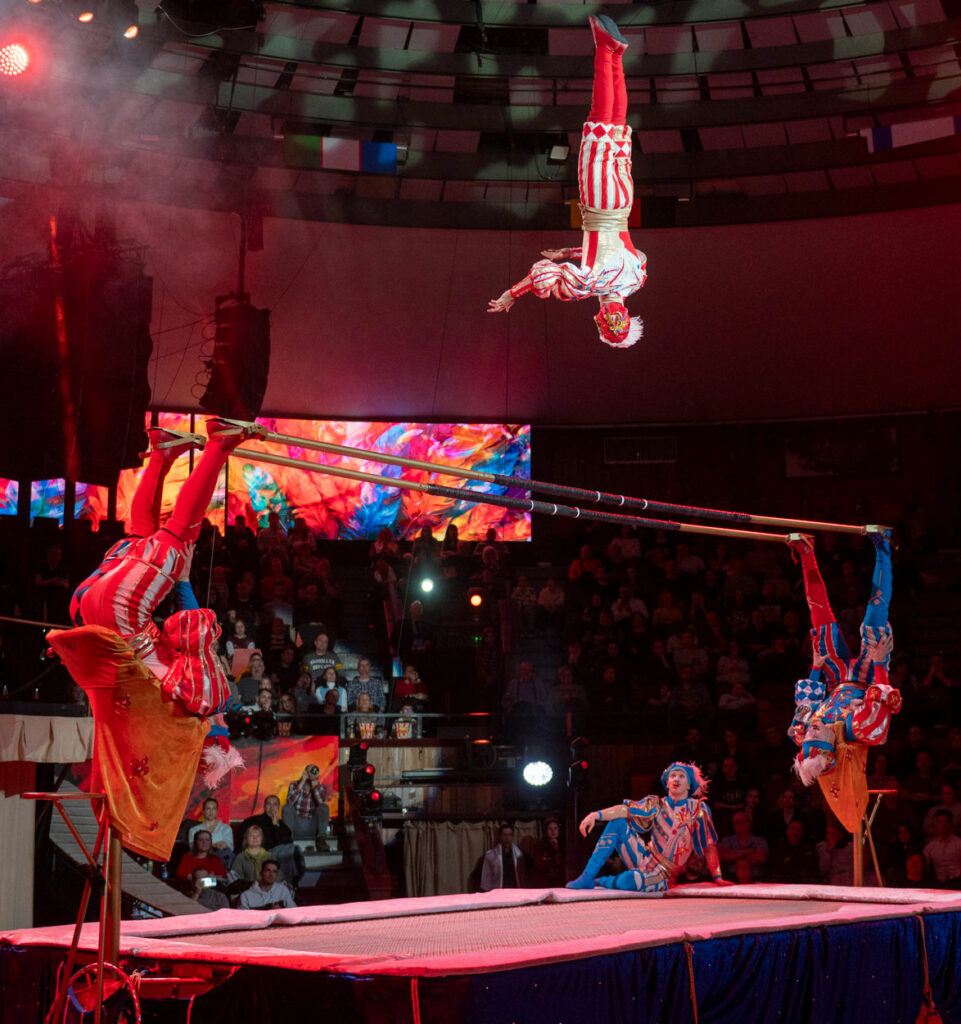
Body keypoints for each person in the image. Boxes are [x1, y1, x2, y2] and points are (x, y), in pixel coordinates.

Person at [487, 15, 646, 349]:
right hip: (599, 202)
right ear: (599, 320)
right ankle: (604, 48)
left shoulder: (635, 281)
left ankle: (616, 55)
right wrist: (511, 294)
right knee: (598, 123)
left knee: (616, 127)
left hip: (622, 202)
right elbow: (542, 275)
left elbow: (636, 254)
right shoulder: (587, 285)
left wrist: (570, 253)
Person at [787, 530, 901, 832]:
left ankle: (807, 552)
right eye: (816, 732)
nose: (812, 727)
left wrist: (815, 667)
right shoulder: (854, 730)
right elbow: (882, 701)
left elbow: (805, 704)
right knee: (874, 619)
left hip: (835, 676)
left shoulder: (806, 733)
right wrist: (878, 661)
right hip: (866, 675)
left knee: (819, 619)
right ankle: (884, 549)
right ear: (827, 747)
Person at [566, 763, 728, 892]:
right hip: (644, 858)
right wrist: (596, 815)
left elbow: (709, 845)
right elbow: (626, 810)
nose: (676, 779)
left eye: (681, 776)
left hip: (664, 874)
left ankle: (601, 881)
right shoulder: (657, 803)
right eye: (672, 776)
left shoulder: (698, 810)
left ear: (689, 785)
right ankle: (588, 875)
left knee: (632, 880)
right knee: (618, 822)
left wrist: (717, 876)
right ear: (667, 783)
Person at [283, 764, 331, 852]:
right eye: (310, 771)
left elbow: (320, 803)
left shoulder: (321, 787)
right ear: (305, 772)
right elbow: (290, 802)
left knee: (324, 807)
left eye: (315, 771)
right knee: (287, 807)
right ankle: (288, 840)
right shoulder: (294, 785)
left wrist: (313, 785)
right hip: (296, 824)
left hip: (312, 825)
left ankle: (321, 839)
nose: (312, 773)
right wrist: (302, 781)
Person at [718, 812, 769, 882]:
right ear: (733, 825)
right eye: (737, 823)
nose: (741, 825)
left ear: (750, 823)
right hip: (731, 880)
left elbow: (760, 858)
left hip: (756, 880)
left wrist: (733, 855)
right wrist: (748, 851)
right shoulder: (727, 840)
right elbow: (723, 856)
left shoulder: (760, 840)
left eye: (744, 821)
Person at [187, 797, 234, 868]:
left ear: (217, 811)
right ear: (203, 811)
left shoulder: (226, 828)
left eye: (213, 809)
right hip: (200, 862)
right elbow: (192, 848)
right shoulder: (194, 830)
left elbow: (230, 848)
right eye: (208, 809)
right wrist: (214, 845)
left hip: (221, 862)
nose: (211, 812)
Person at [480, 824, 527, 891]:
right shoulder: (491, 855)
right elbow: (486, 879)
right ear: (500, 836)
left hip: (515, 891)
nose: (507, 838)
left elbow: (522, 877)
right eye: (504, 835)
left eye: (509, 835)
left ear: (513, 836)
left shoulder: (518, 854)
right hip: (498, 892)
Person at [923, 809, 961, 887]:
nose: (943, 825)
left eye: (946, 822)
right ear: (936, 824)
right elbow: (924, 864)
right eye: (940, 822)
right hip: (938, 883)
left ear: (950, 823)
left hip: (958, 882)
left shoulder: (959, 843)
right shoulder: (930, 846)